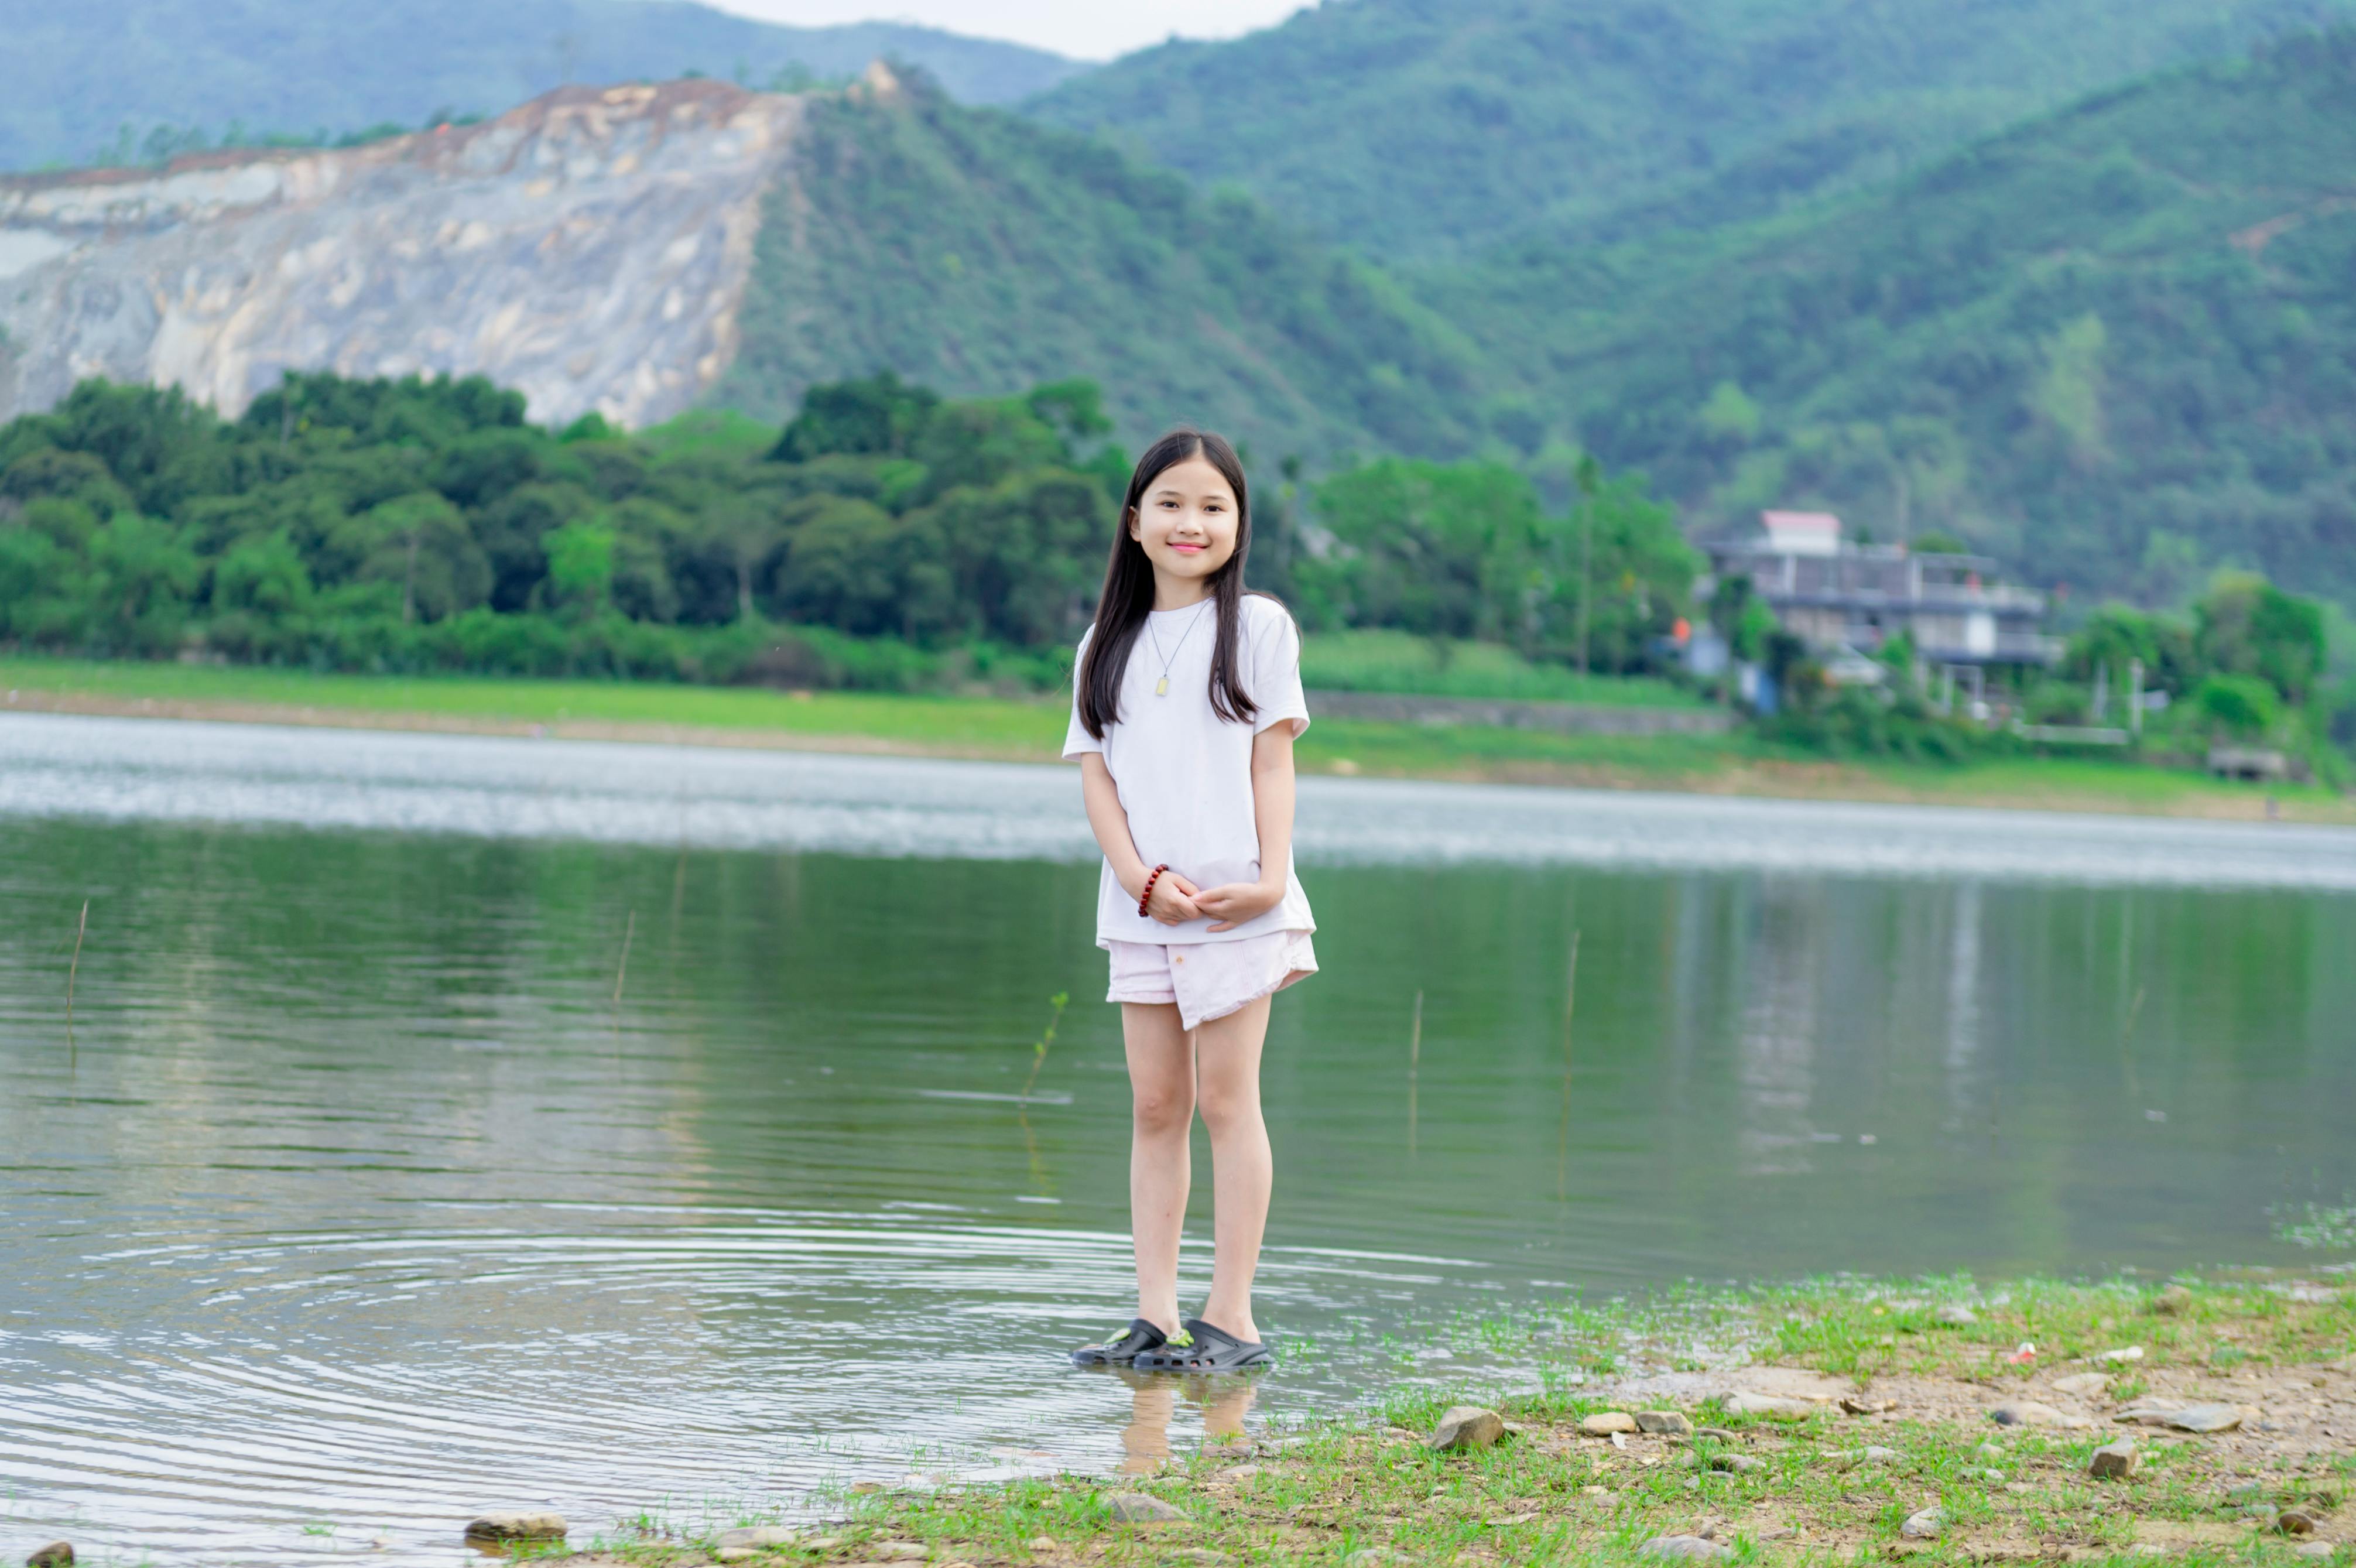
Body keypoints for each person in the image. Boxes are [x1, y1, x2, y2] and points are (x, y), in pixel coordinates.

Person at [1061, 427, 1316, 1375]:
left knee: (1225, 1099)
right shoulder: (1105, 642)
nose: (1191, 522)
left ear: (1238, 525)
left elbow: (1274, 759)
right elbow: (1097, 778)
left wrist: (1269, 876)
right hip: (1142, 905)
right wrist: (1138, 879)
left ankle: (1234, 1318)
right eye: (1171, 503)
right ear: (1134, 523)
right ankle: (1156, 1315)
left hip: (1234, 900)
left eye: (1213, 506)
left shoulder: (1259, 627)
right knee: (1156, 1103)